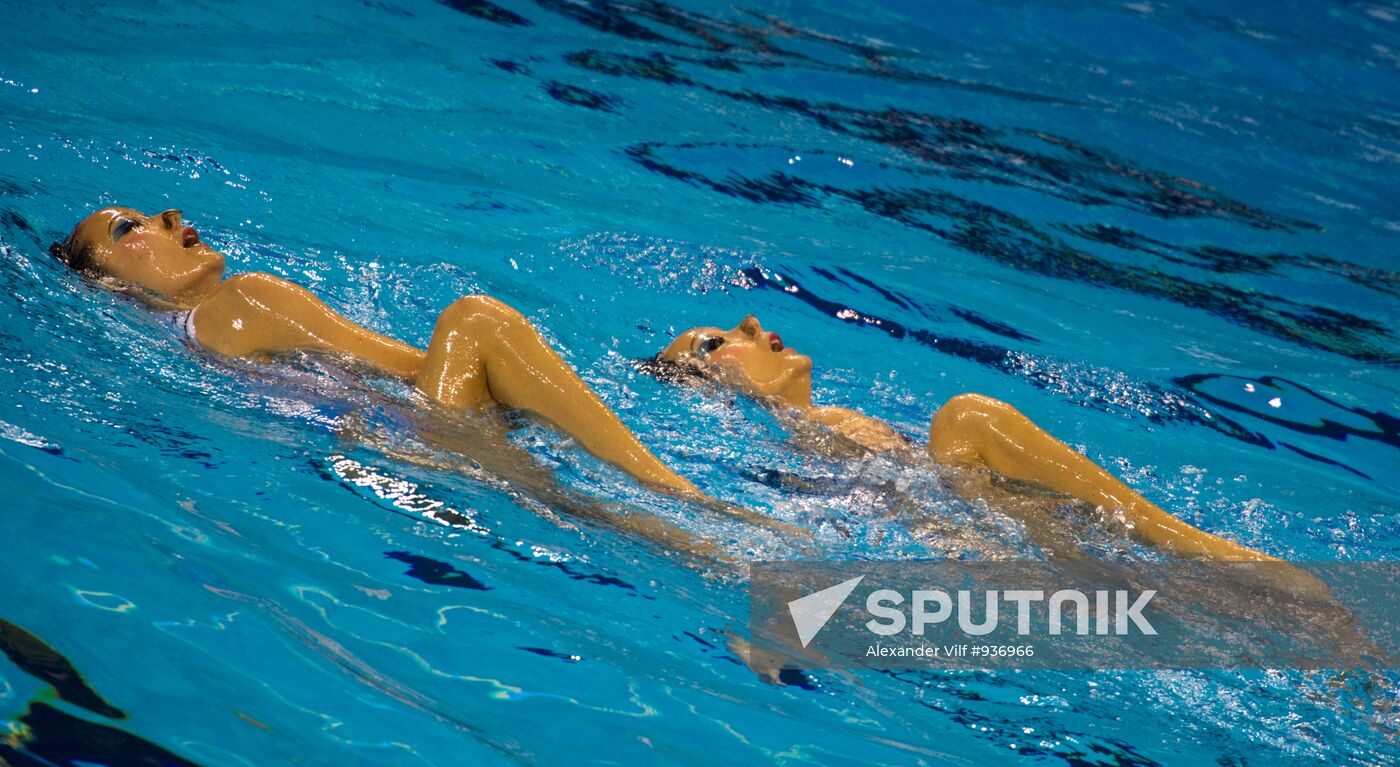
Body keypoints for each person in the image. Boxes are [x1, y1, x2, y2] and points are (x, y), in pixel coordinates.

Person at [657, 315, 1285, 563]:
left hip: (994, 518)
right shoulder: (801, 435)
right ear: (712, 380)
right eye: (714, 344)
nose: (751, 323)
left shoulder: (829, 421)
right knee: (967, 417)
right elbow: (892, 501)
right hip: (982, 526)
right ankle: (1197, 545)